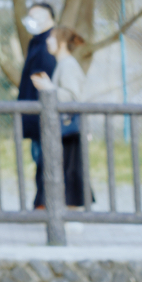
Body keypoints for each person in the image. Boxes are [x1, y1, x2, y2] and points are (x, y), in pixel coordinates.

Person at [36, 23, 92, 209]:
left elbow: (71, 97)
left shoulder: (68, 65)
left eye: (52, 37)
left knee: (69, 172)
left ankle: (71, 214)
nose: (48, 41)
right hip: (67, 129)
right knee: (66, 171)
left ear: (61, 42)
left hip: (69, 130)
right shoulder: (64, 64)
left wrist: (48, 88)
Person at [17, 2, 57, 205]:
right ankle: (44, 203)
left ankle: (47, 204)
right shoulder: (36, 42)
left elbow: (44, 78)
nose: (30, 20)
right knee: (39, 158)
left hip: (42, 113)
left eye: (35, 15)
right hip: (33, 112)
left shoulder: (48, 43)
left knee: (46, 160)